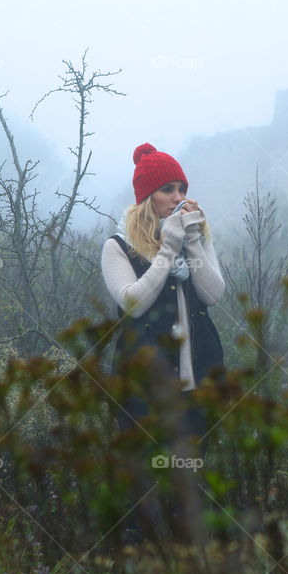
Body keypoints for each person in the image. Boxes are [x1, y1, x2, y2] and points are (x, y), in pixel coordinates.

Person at [101, 142, 225, 544]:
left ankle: (190, 570)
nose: (178, 198)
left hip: (197, 383)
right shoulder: (117, 247)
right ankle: (139, 568)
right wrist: (168, 247)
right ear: (146, 198)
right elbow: (132, 302)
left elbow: (213, 293)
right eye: (168, 190)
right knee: (146, 486)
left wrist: (191, 242)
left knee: (190, 487)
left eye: (181, 188)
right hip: (144, 386)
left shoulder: (195, 236)